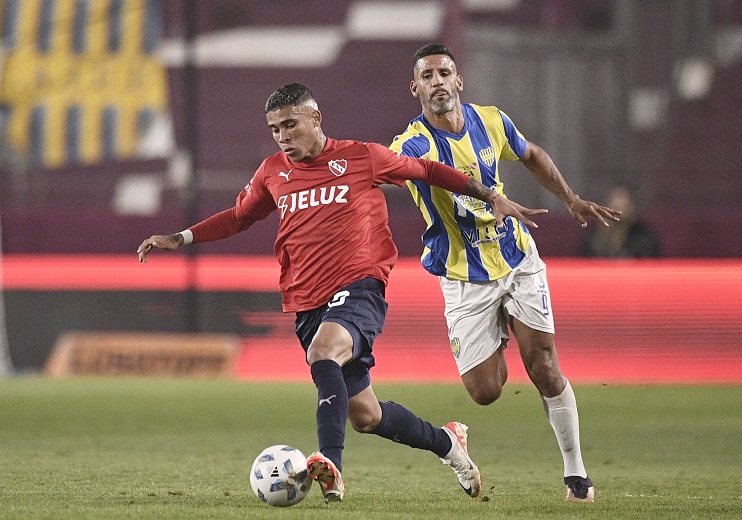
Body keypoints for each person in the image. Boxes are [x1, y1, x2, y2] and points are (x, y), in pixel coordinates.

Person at [137, 83, 544, 503]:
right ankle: (448, 444)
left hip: (359, 285)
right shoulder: (272, 171)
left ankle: (330, 466)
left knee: (323, 350)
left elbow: (426, 170)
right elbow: (239, 217)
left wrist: (489, 194)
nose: (282, 137)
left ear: (315, 118)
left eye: (290, 125)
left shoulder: (362, 157)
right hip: (306, 302)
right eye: (275, 129)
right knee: (366, 416)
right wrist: (180, 237)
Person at [390, 44, 622, 502]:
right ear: (415, 89)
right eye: (427, 76)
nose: (438, 82)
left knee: (544, 366)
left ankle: (576, 474)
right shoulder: (411, 145)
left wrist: (570, 198)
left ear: (459, 81)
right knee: (485, 391)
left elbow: (531, 153)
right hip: (463, 276)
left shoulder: (491, 120)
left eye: (444, 73)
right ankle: (492, 341)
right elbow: (414, 172)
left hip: (516, 259)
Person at [580, 186, 661, 258]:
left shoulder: (643, 238)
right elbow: (585, 262)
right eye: (615, 206)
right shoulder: (594, 239)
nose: (618, 211)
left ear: (631, 208)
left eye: (624, 206)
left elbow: (649, 262)